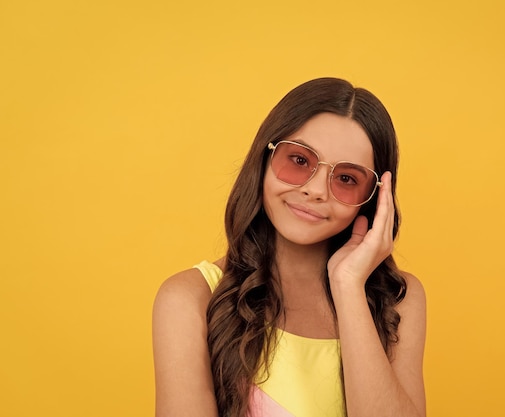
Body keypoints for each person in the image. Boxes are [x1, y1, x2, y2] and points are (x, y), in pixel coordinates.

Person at [152, 77, 427, 417]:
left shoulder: (400, 299)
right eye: (299, 160)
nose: (316, 190)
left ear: (373, 199)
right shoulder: (189, 299)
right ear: (264, 158)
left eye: (346, 179)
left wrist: (348, 286)